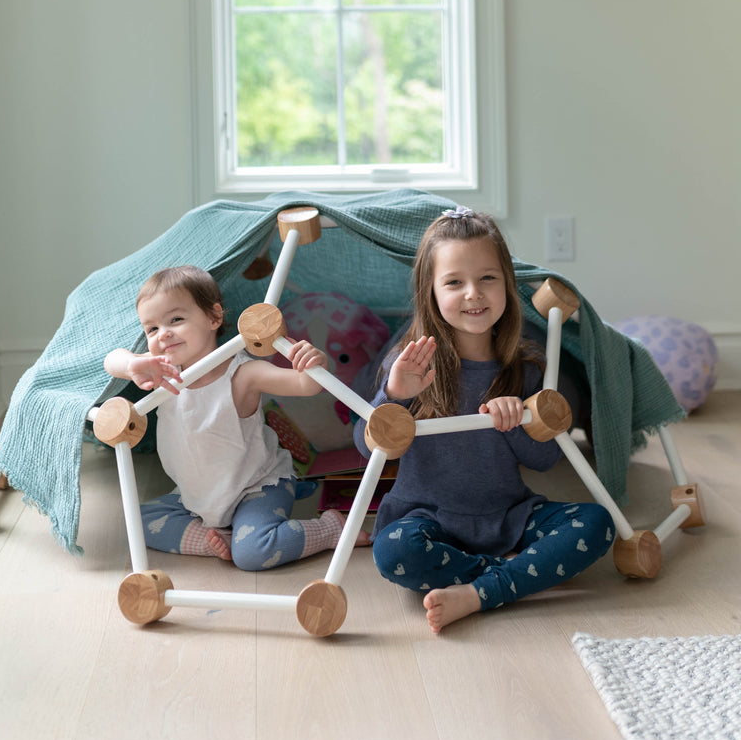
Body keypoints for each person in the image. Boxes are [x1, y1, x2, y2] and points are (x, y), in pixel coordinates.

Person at [353, 207, 614, 632]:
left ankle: (478, 591)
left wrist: (516, 420)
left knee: (596, 523)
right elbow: (368, 449)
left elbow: (545, 461)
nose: (473, 293)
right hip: (427, 519)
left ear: (507, 286)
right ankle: (513, 576)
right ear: (431, 292)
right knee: (394, 553)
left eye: (488, 278)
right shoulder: (410, 366)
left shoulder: (526, 367)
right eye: (454, 282)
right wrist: (396, 396)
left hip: (508, 515)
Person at [105, 265, 369, 571]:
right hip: (198, 495)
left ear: (214, 317)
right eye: (151, 329)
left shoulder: (243, 374)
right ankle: (212, 541)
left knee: (254, 553)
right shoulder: (164, 376)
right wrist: (132, 364)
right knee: (135, 519)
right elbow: (111, 359)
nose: (163, 334)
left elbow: (305, 385)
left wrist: (314, 362)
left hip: (256, 487)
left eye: (176, 319)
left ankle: (329, 529)